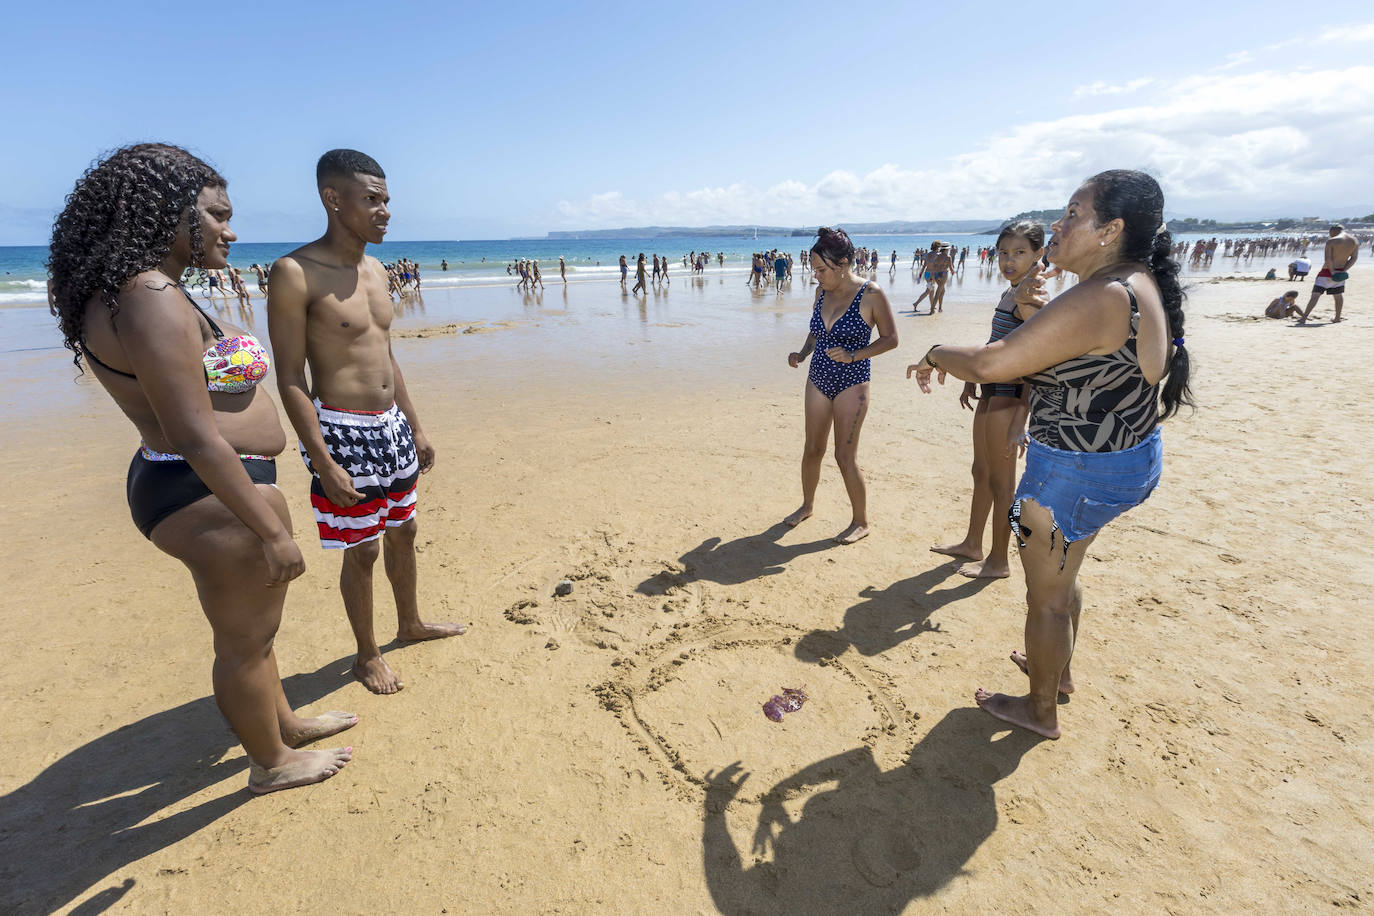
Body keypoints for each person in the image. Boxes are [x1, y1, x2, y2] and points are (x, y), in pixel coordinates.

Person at [49, 143, 354, 793]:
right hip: (204, 488)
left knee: (257, 630)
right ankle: (270, 764)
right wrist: (271, 531)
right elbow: (192, 433)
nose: (229, 229)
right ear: (166, 213)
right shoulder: (150, 295)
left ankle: (284, 728)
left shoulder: (138, 291)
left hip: (204, 483)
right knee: (243, 642)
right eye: (216, 214)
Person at [909, 170, 1192, 738]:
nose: (1058, 225)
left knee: (1046, 602)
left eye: (1072, 214)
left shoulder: (1101, 295)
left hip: (1074, 472)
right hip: (1127, 458)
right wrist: (1027, 316)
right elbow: (1080, 361)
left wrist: (935, 352)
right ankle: (1057, 675)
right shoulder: (1135, 281)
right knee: (1065, 574)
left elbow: (992, 365)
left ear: (1110, 229)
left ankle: (1040, 711)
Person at [268, 149, 465, 696]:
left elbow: (386, 356)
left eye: (386, 200)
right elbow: (288, 376)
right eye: (371, 199)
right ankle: (368, 654)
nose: (384, 211)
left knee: (406, 531)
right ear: (333, 199)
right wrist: (322, 461)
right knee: (364, 548)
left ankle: (411, 623)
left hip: (391, 425)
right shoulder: (295, 272)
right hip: (342, 429)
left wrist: (416, 427)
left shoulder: (377, 270)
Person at [931, 221, 1044, 579]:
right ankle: (972, 544)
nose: (1009, 260)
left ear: (1039, 253)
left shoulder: (1031, 300)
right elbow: (996, 342)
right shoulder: (1012, 292)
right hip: (991, 392)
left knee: (1003, 483)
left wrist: (1019, 420)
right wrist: (971, 380)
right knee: (981, 472)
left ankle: (999, 560)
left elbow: (1036, 363)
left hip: (1010, 399)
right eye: (1003, 252)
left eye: (1020, 253)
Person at [785, 228, 899, 544]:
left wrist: (854, 355)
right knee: (812, 449)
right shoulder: (820, 293)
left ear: (844, 263)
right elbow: (815, 332)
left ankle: (861, 521)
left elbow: (891, 339)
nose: (816, 276)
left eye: (821, 270)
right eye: (814, 270)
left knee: (844, 456)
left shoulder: (871, 294)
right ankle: (807, 506)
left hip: (853, 381)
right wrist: (803, 353)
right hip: (819, 376)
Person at [1298, 224, 1359, 324]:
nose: (1330, 235)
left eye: (1330, 233)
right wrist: (1344, 270)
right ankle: (1337, 318)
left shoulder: (1332, 241)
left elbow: (1328, 258)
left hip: (1327, 271)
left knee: (1315, 295)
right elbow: (1354, 258)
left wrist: (1332, 271)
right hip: (1341, 271)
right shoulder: (1354, 241)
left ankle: (1304, 318)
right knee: (1338, 295)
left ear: (1333, 231)